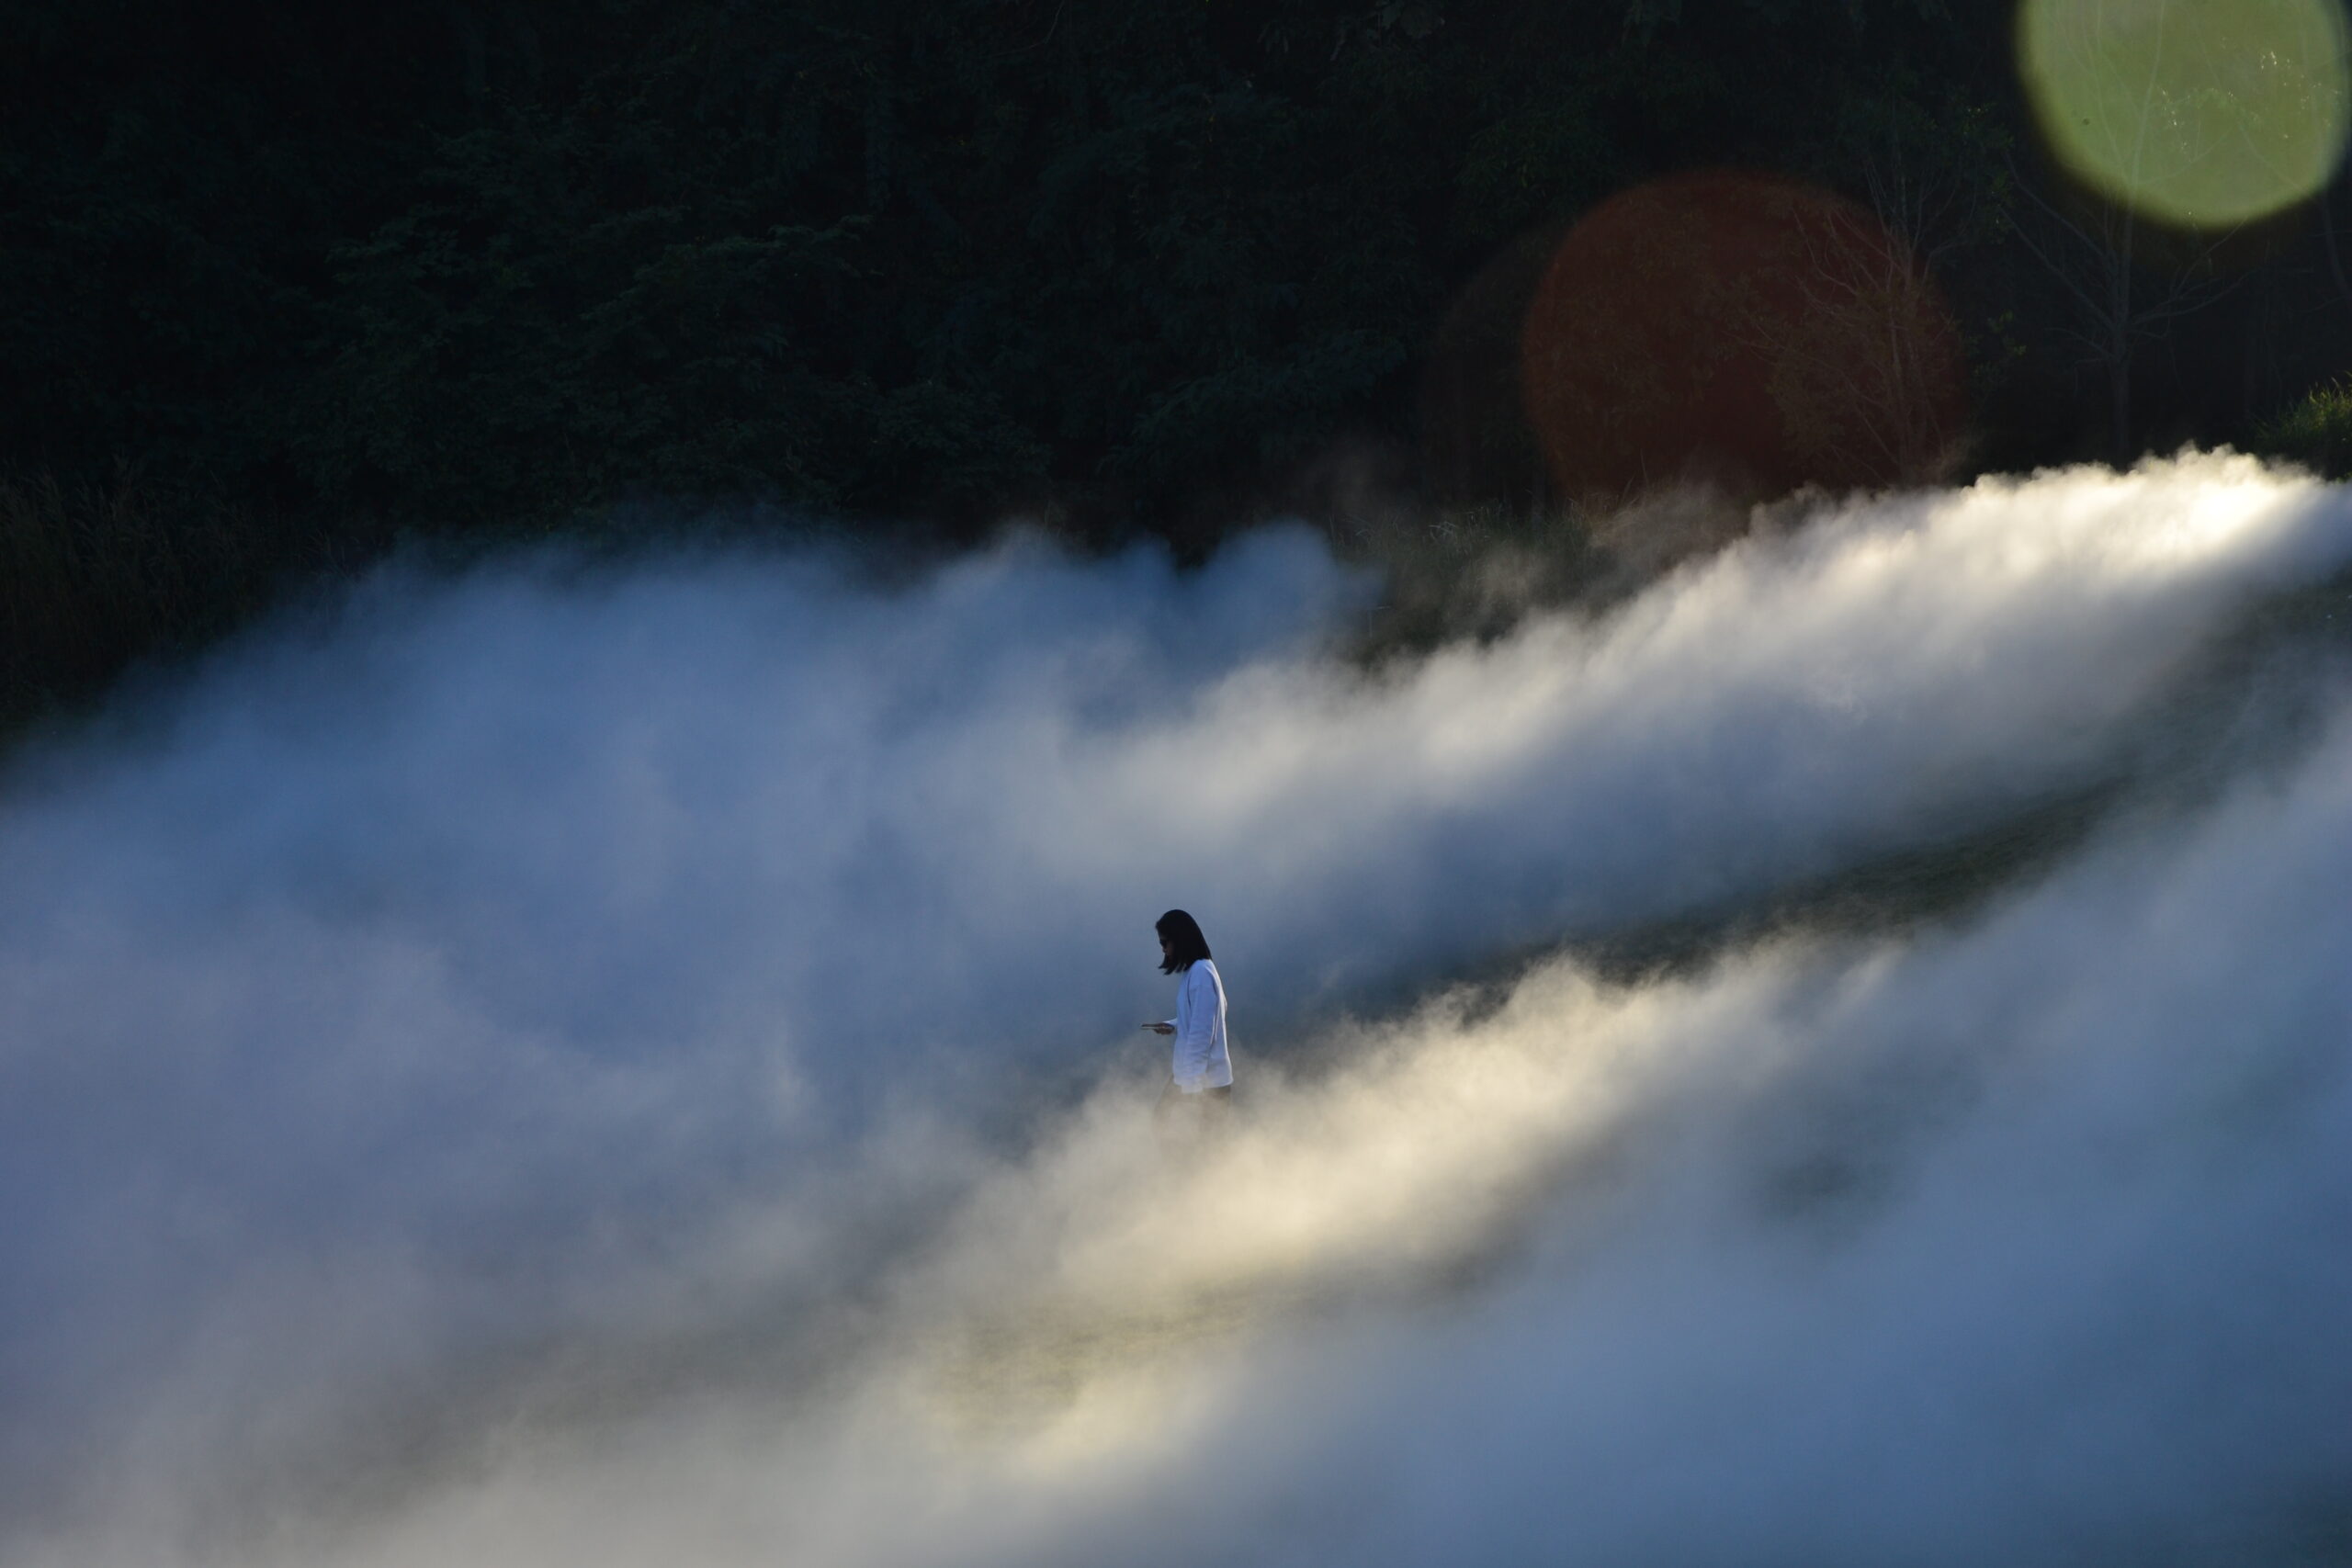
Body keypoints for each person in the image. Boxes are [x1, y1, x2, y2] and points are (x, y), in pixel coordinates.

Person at [1140, 908, 1234, 1112]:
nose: (1163, 949)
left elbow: (1202, 1033)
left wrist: (1192, 1089)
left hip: (1205, 1082)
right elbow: (1210, 1015)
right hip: (1196, 1077)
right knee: (1166, 1122)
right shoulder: (1198, 970)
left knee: (1198, 1139)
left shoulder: (1200, 973)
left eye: (1164, 943)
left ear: (1179, 940)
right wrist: (1174, 1025)